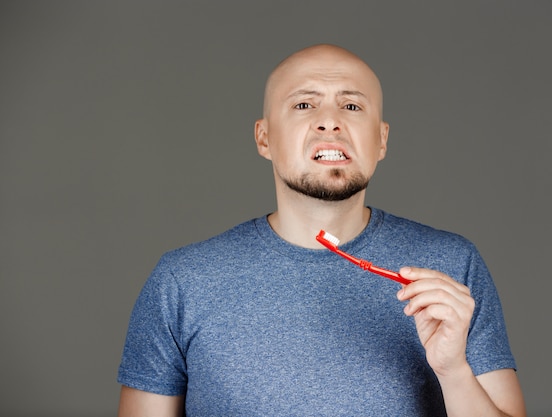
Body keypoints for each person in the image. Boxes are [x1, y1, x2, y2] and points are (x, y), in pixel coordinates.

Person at [117, 44, 526, 417]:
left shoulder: (452, 266)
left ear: (381, 140)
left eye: (351, 107)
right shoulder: (181, 282)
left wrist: (453, 371)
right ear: (264, 137)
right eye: (303, 105)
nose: (329, 121)